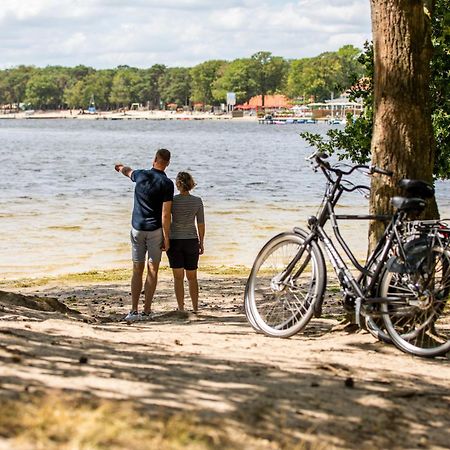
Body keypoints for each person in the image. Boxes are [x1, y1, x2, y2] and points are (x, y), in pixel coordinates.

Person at [114, 148, 174, 321]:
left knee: (137, 270)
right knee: (152, 270)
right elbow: (165, 214)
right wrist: (167, 237)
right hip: (155, 231)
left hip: (137, 229)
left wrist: (119, 168)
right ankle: (146, 311)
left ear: (154, 159)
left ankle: (133, 310)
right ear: (168, 163)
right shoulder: (167, 184)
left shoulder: (140, 175)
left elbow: (127, 171)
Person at [167, 172, 205, 313]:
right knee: (192, 277)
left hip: (175, 240)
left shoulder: (172, 201)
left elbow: (165, 219)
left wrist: (164, 238)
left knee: (178, 278)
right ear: (191, 184)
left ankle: (181, 308)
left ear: (178, 184)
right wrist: (201, 242)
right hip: (191, 241)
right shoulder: (197, 201)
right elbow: (200, 224)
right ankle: (195, 308)